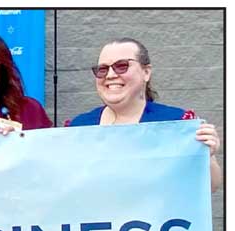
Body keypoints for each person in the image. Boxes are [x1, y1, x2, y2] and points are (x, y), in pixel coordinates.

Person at [67, 38, 222, 192]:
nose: (110, 75)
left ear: (146, 72)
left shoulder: (177, 124)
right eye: (102, 69)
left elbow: (211, 186)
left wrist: (206, 155)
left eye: (122, 66)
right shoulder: (78, 127)